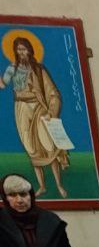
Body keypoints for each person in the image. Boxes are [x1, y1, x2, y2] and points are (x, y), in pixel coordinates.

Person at [0, 37, 70, 199]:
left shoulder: (38, 69)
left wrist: (51, 111)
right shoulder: (12, 68)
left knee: (48, 146)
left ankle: (59, 185)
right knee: (31, 148)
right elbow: (3, 85)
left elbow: (51, 90)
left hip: (38, 107)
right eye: (18, 49)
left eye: (24, 49)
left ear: (30, 50)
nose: (21, 52)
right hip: (21, 109)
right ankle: (42, 186)